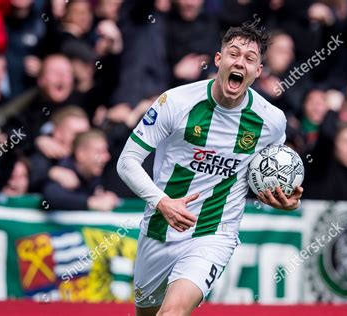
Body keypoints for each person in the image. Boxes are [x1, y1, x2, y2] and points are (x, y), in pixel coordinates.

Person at [117, 24, 303, 316]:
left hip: (214, 233)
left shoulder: (271, 121)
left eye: (250, 58)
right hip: (158, 228)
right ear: (218, 60)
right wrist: (162, 202)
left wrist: (282, 198)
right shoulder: (175, 102)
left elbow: (268, 173)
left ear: (258, 71)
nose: (240, 62)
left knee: (172, 313)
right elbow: (127, 161)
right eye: (234, 54)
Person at [43, 129, 119, 211]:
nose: (107, 157)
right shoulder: (62, 172)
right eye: (100, 152)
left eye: (106, 151)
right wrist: (91, 203)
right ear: (81, 154)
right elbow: (52, 197)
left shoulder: (94, 175)